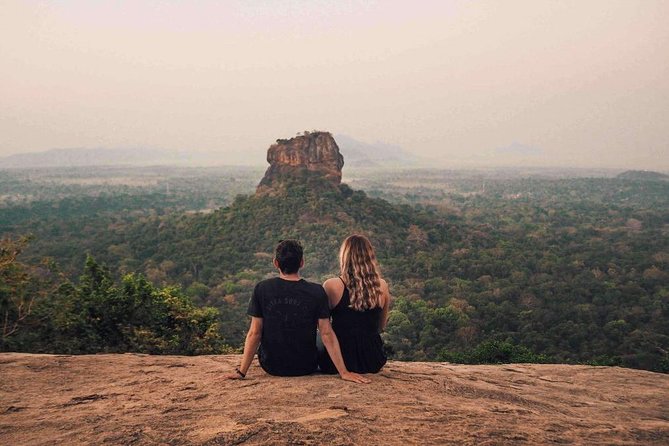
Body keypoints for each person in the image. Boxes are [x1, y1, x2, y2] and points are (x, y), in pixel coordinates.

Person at [226, 239, 370, 383]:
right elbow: (326, 333)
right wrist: (344, 372)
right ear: (302, 263)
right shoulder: (316, 291)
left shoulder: (262, 289)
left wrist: (242, 372)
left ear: (276, 263)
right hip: (305, 366)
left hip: (272, 365)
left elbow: (255, 332)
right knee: (321, 336)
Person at [318, 234, 390, 374]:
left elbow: (324, 329)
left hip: (339, 361)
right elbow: (380, 327)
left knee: (318, 335)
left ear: (344, 257)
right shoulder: (382, 286)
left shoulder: (331, 286)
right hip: (372, 360)